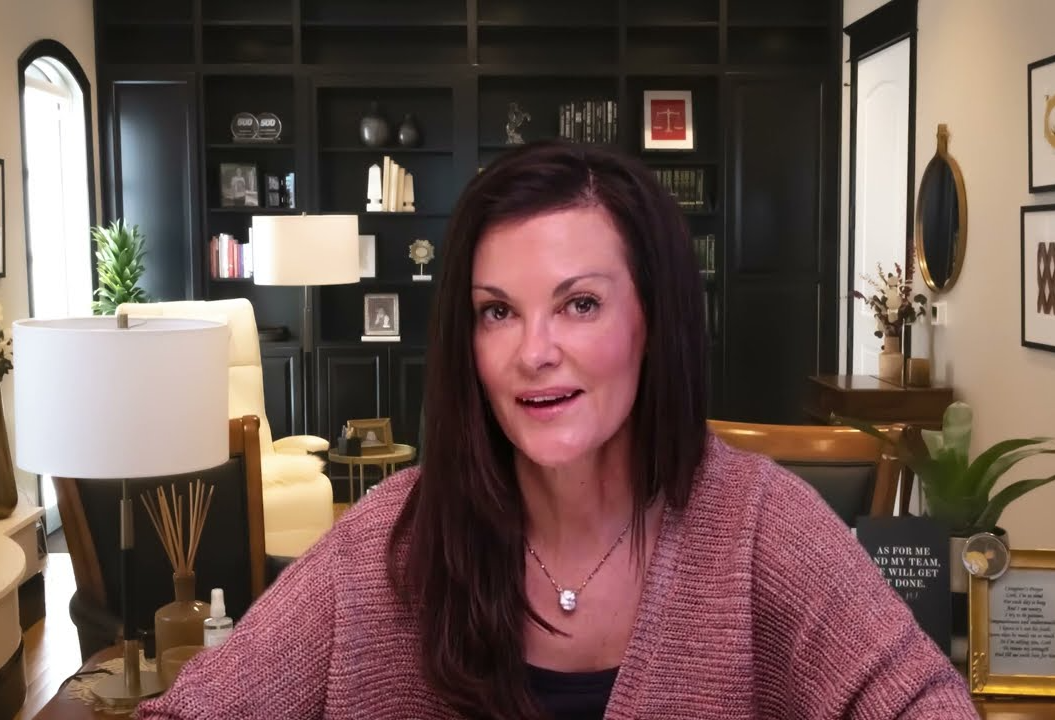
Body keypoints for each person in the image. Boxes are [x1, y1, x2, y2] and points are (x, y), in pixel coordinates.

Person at [139, 141, 977, 719]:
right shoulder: (384, 545)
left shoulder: (761, 527)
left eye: (580, 304)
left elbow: (923, 700)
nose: (533, 353)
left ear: (654, 321)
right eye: (497, 312)